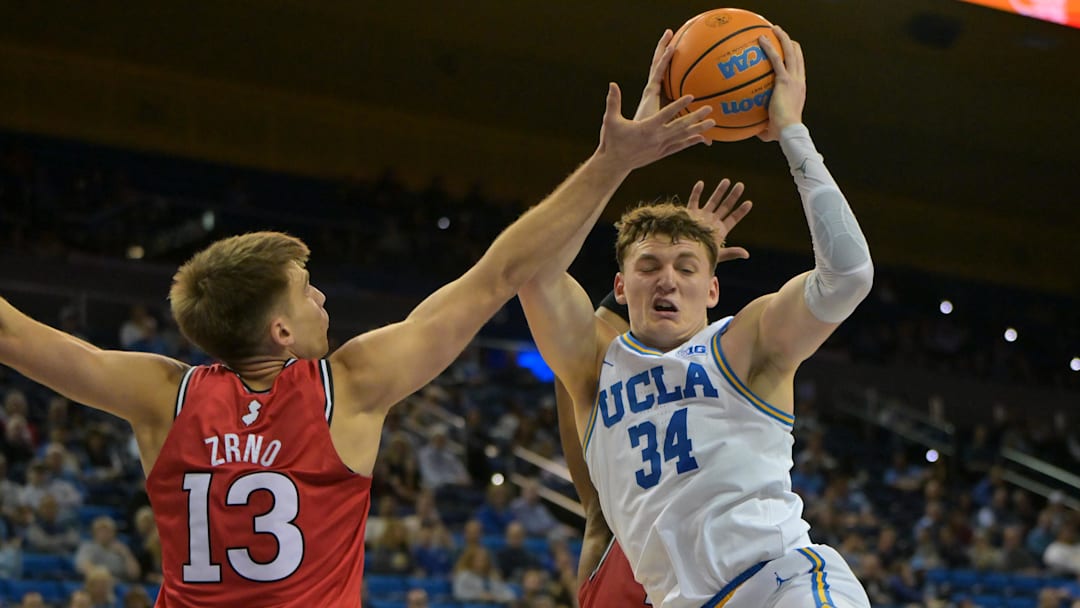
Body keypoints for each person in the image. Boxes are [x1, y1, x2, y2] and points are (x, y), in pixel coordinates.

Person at [0, 51, 715, 607]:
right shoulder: (349, 386)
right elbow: (498, 274)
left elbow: (17, 338)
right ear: (280, 331)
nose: (323, 302)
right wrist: (612, 160)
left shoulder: (161, 395)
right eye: (307, 294)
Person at [520, 25, 874, 607]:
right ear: (618, 285)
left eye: (687, 267)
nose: (667, 278)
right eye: (650, 265)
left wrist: (792, 133)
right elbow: (533, 268)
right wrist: (617, 160)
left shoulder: (743, 344)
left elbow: (848, 277)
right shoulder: (593, 365)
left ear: (713, 289)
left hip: (780, 584)